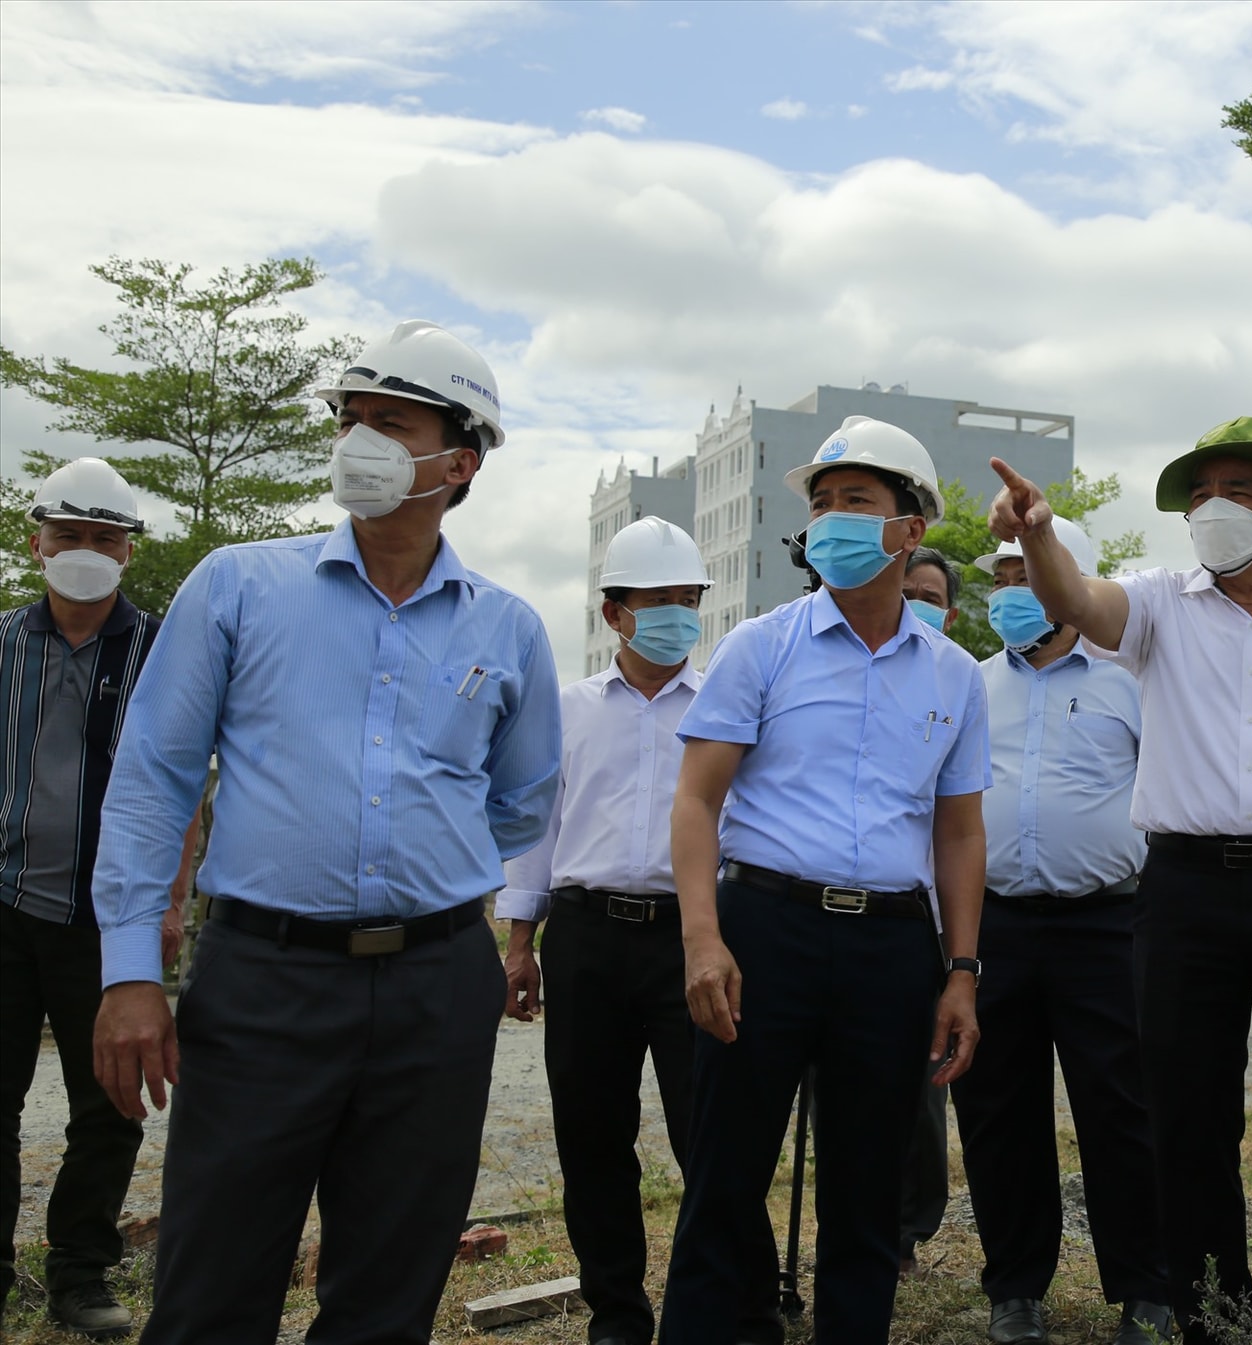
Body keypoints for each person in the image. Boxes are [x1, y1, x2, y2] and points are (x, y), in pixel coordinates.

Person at [89, 320, 563, 1343]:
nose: (358, 439)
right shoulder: (238, 587)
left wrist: (425, 863)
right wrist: (131, 969)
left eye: (390, 423)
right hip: (264, 979)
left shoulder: (507, 627)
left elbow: (523, 802)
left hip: (439, 988)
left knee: (389, 1287)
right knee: (213, 1281)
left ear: (460, 459)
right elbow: (151, 781)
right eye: (350, 419)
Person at [987, 417, 1252, 1345]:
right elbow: (1078, 602)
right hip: (1183, 892)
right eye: (1198, 494)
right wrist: (1038, 536)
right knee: (1187, 1120)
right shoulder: (1156, 606)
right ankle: (1219, 1320)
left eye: (1237, 492)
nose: (1212, 509)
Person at [660, 415, 989, 1345]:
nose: (833, 518)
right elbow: (696, 801)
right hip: (765, 927)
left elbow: (959, 833)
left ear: (910, 527)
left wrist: (961, 969)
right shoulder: (761, 647)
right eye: (822, 502)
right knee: (724, 1176)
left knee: (866, 1185)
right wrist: (701, 936)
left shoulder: (955, 678)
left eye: (858, 501)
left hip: (891, 944)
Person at [498, 516, 779, 1345]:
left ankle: (747, 1303)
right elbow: (538, 828)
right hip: (586, 936)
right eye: (657, 601)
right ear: (614, 612)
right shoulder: (567, 709)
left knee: (715, 1134)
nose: (677, 616)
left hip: (695, 936)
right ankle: (617, 1312)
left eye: (689, 600)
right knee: (591, 1133)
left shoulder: (726, 708)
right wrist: (520, 942)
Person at [956, 519, 1170, 1345]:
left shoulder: (1131, 681)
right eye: (1002, 574)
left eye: (1026, 570)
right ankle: (1015, 1287)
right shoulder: (970, 684)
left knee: (1122, 1106)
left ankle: (1147, 1286)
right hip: (995, 924)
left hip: (1107, 923)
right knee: (996, 1108)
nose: (1013, 587)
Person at [0, 460, 196, 1338]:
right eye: (69, 535)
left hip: (110, 918)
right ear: (36, 542)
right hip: (3, 907)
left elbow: (190, 782)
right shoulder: (4, 645)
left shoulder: (163, 651)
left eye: (104, 539)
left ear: (128, 550)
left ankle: (81, 1271)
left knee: (110, 1102)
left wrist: (170, 897)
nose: (85, 552)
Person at [896, 545, 963, 1276]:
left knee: (920, 1088)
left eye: (927, 593)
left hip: (930, 921)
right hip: (852, 912)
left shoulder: (960, 684)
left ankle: (909, 1228)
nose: (914, 599)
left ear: (948, 610)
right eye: (906, 588)